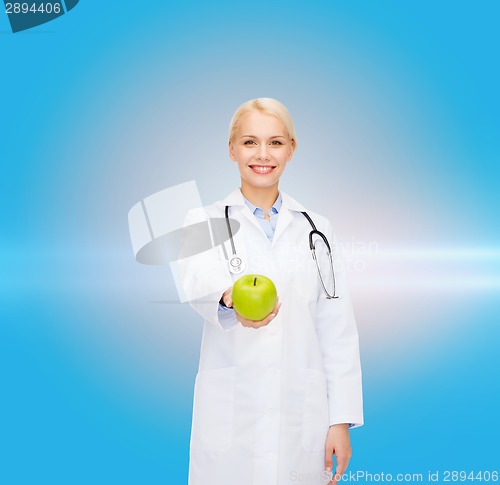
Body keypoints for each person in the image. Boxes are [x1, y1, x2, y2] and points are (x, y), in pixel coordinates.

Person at [179, 98, 363, 485]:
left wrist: (340, 420)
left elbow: (337, 329)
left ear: (291, 150)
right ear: (232, 149)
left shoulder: (318, 230)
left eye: (276, 142)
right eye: (249, 142)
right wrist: (229, 298)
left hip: (302, 420)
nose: (263, 154)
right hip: (231, 421)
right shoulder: (204, 221)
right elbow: (194, 281)